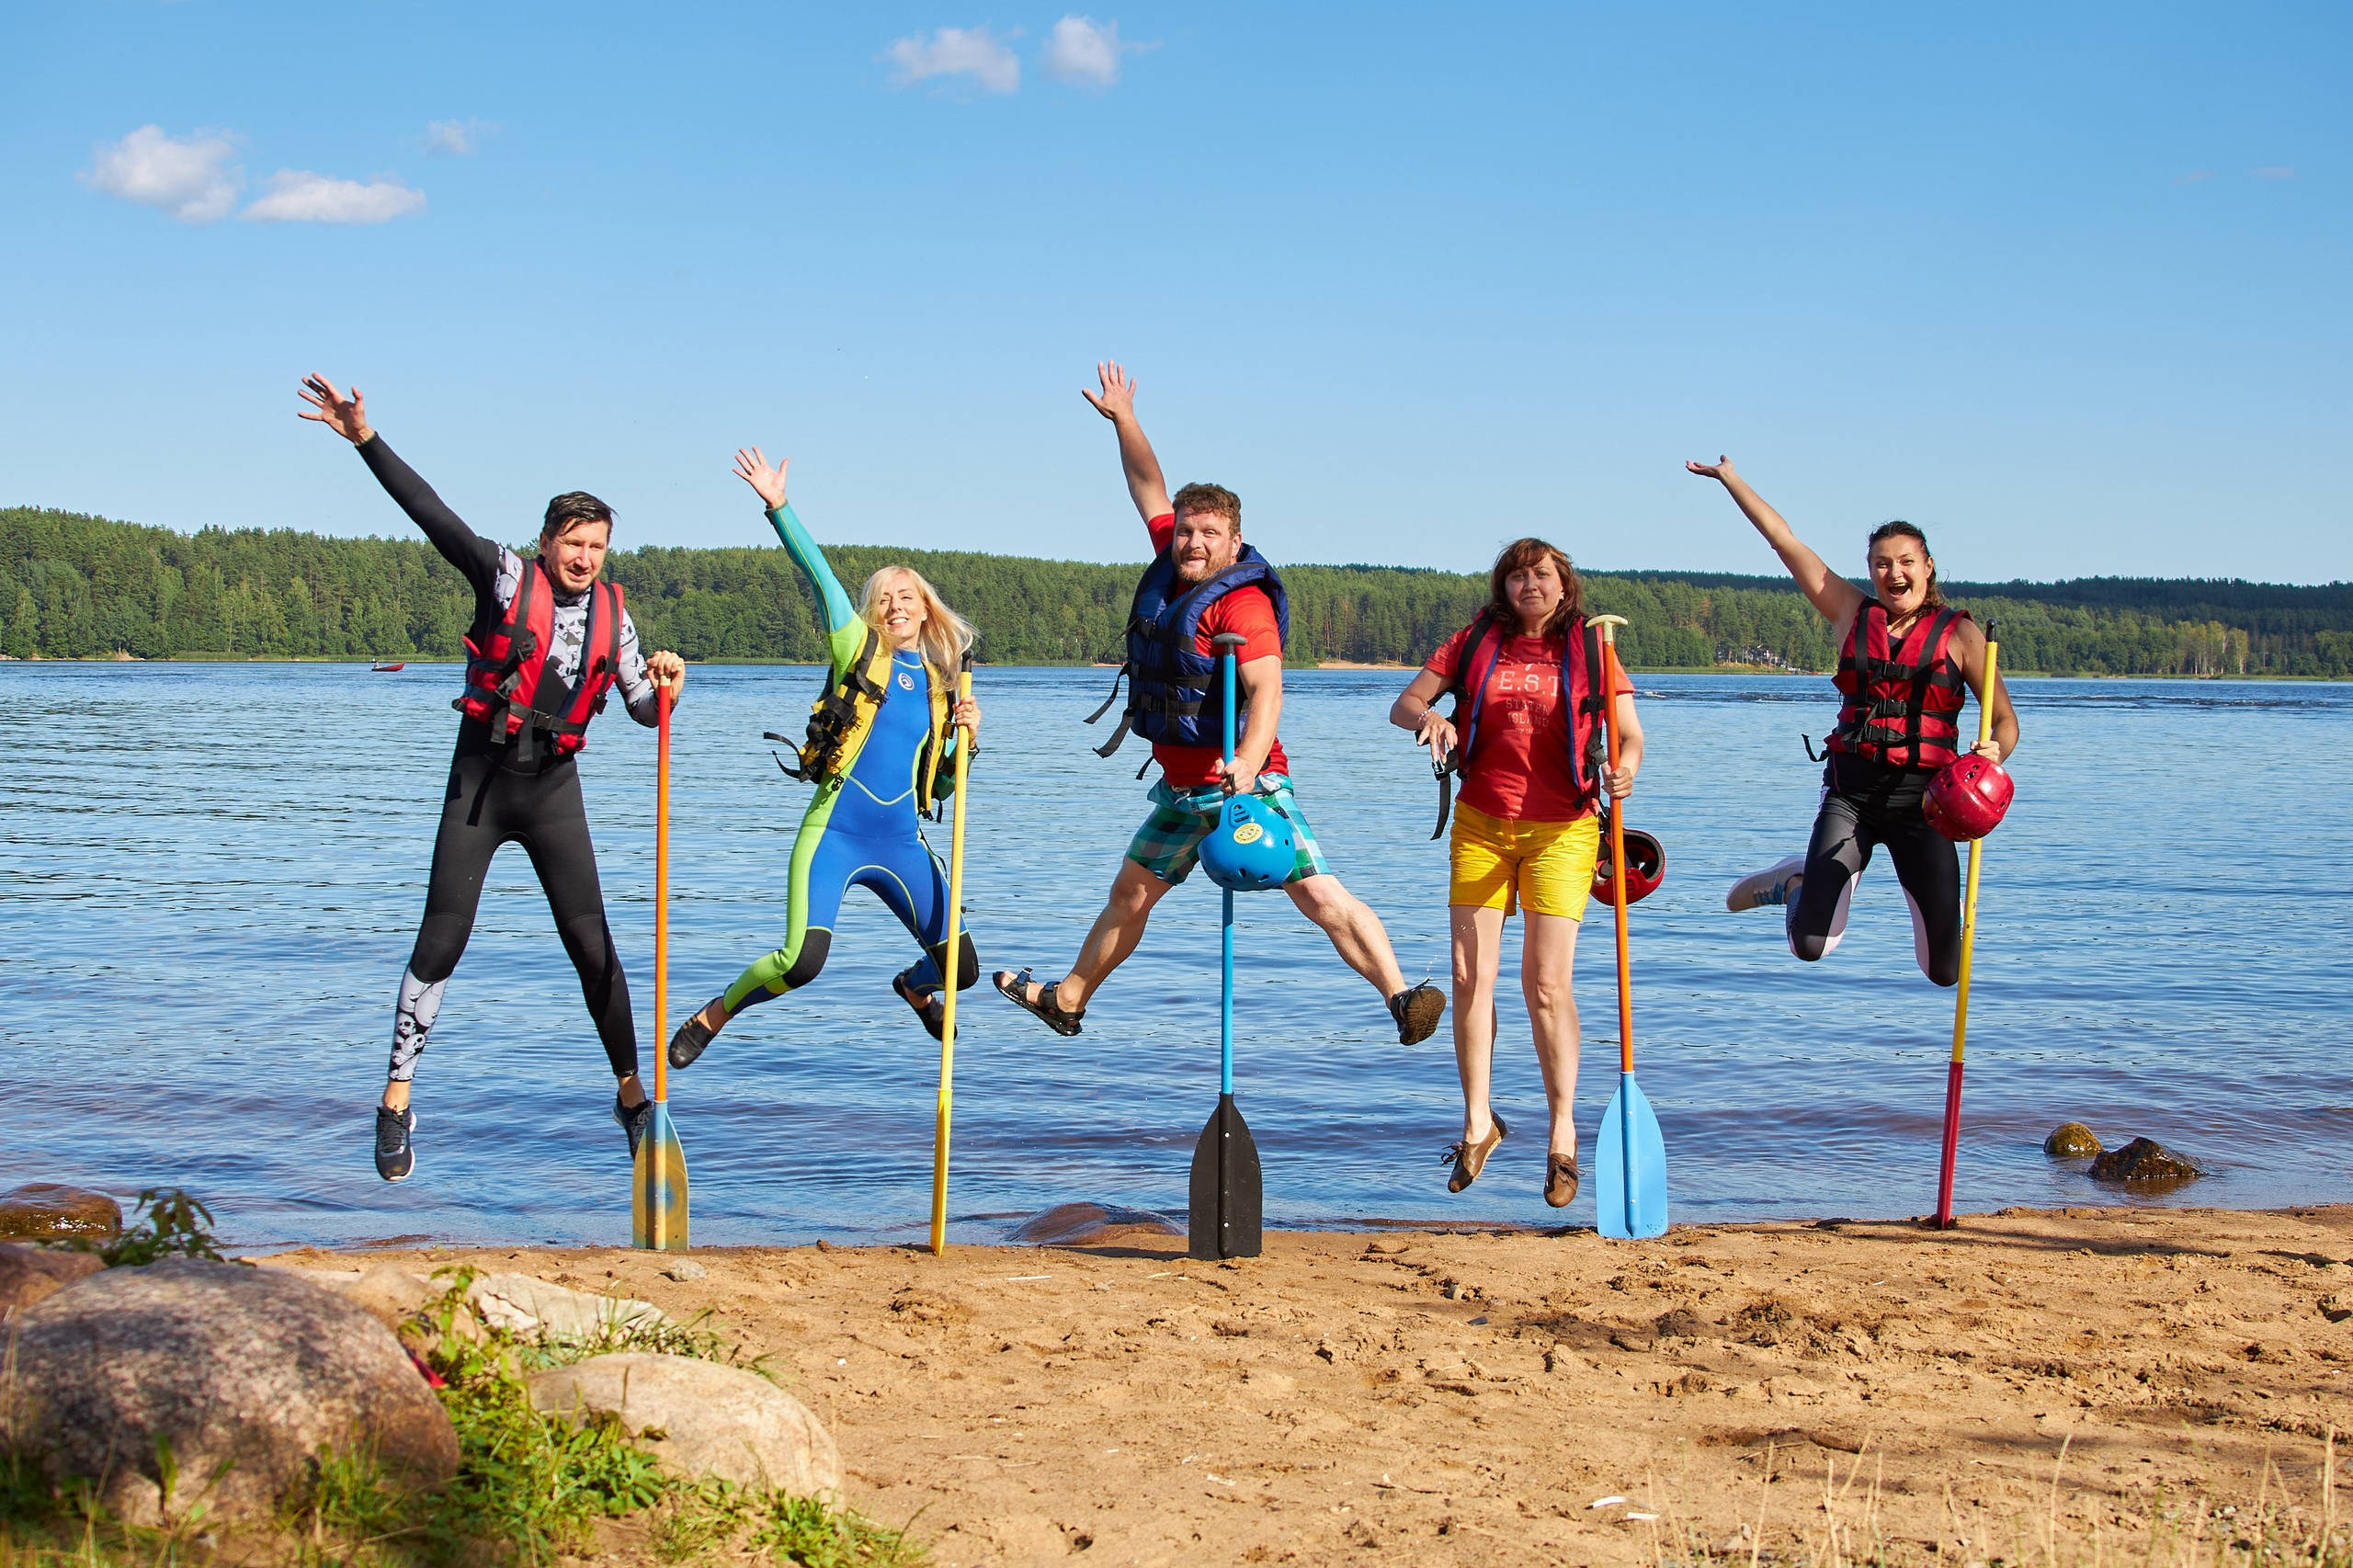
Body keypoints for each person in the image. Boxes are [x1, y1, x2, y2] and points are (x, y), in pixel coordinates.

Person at [297, 374, 686, 1182]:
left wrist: (667, 682)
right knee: (442, 942)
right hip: (481, 781)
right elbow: (430, 511)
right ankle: (396, 1102)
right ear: (548, 542)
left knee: (594, 948)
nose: (584, 559)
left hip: (552, 791)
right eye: (573, 544)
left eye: (596, 547)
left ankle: (631, 1098)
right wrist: (366, 438)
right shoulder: (505, 578)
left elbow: (646, 710)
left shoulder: (617, 617)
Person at [991, 362, 1445, 1045]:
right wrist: (1125, 419)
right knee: (1131, 894)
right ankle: (1068, 1000)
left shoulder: (1244, 602)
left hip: (1246, 785)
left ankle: (1402, 996)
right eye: (1187, 531)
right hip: (1181, 788)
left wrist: (1249, 761)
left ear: (1235, 542)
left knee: (1317, 893)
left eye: (1209, 534)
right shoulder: (1175, 564)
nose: (1194, 543)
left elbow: (1266, 690)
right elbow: (1146, 485)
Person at [663, 446, 981, 1072]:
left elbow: (942, 788)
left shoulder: (946, 688)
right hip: (834, 832)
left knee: (961, 969)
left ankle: (914, 988)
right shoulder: (855, 647)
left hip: (901, 842)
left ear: (926, 607)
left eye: (907, 596)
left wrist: (967, 743)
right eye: (885, 597)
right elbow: (820, 578)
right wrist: (779, 507)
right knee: (801, 962)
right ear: (873, 610)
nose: (896, 605)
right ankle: (714, 1014)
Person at [1686, 456, 2018, 983]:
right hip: (1853, 794)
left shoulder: (1962, 636)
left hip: (1929, 804)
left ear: (1928, 566)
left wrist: (1994, 755)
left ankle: (1811, 882)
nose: (1895, 573)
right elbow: (1784, 541)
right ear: (1870, 571)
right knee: (1812, 945)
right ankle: (1796, 883)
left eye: (1906, 561)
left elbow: (2004, 722)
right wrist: (1731, 480)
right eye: (1882, 564)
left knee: (1945, 971)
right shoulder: (1850, 612)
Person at [1388, 540, 1642, 1206]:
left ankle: (1562, 1135)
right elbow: (1405, 703)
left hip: (1564, 829)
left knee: (1547, 987)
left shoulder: (1592, 649)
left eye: (1542, 575)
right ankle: (1479, 1123)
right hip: (1481, 825)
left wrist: (1627, 769)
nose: (1529, 584)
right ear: (1504, 586)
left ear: (1564, 586)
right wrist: (1432, 718)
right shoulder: (1474, 641)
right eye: (1518, 575)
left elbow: (1630, 735)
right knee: (1472, 978)